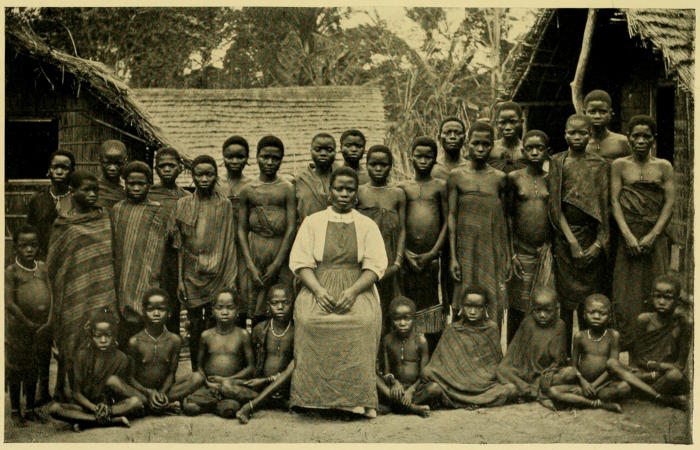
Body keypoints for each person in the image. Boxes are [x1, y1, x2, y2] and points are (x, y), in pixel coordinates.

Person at [289, 166, 387, 418]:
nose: (344, 194)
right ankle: (313, 399)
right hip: (319, 285)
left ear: (356, 193)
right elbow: (301, 262)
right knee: (309, 320)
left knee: (362, 321)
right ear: (329, 192)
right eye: (339, 189)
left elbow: (375, 266)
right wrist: (318, 291)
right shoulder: (313, 222)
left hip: (356, 286)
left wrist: (353, 292)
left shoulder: (366, 225)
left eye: (349, 190)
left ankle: (356, 400)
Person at [47, 170, 118, 402]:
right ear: (72, 191)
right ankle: (61, 388)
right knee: (70, 339)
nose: (92, 194)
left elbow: (108, 254)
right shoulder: (64, 223)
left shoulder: (103, 217)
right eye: (86, 190)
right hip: (72, 292)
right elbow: (54, 262)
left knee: (100, 336)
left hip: (101, 289)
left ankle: (94, 392)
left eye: (95, 190)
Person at [611, 116, 674, 349]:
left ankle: (655, 347)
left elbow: (669, 204)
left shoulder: (664, 166)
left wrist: (653, 235)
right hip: (628, 236)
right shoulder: (619, 165)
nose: (640, 141)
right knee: (625, 293)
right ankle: (629, 344)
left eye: (646, 136)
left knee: (656, 288)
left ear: (653, 139)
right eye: (636, 136)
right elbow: (614, 201)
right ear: (628, 138)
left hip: (654, 237)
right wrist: (628, 235)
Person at [548, 114, 609, 351]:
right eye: (572, 132)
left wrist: (598, 244)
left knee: (589, 301)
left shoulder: (600, 165)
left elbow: (604, 208)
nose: (577, 137)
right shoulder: (557, 162)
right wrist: (572, 241)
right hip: (565, 239)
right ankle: (563, 354)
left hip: (591, 237)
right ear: (565, 135)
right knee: (565, 301)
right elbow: (555, 207)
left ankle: (588, 351)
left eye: (582, 133)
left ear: (590, 135)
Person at [172, 155, 238, 371]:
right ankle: (196, 371)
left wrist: (229, 277)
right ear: (192, 176)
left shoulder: (224, 204)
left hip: (218, 273)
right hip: (191, 275)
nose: (204, 179)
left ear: (216, 175)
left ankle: (213, 371)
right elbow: (180, 246)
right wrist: (180, 279)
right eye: (199, 174)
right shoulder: (183, 204)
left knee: (214, 324)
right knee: (194, 325)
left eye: (209, 174)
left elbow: (229, 242)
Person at [448, 121, 509, 327]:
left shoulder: (500, 179)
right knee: (462, 297)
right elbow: (452, 216)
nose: (481, 148)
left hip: (491, 249)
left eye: (486, 144)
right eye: (476, 143)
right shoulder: (457, 176)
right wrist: (453, 257)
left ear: (493, 145)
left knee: (492, 297)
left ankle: (490, 343)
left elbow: (505, 220)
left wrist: (507, 256)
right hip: (465, 249)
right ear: (468, 143)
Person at [413, 286, 516, 408]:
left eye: (478, 307)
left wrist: (478, 377)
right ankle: (475, 401)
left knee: (511, 389)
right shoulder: (452, 329)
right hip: (453, 387)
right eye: (468, 306)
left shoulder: (492, 329)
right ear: (462, 306)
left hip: (483, 387)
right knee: (433, 388)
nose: (472, 311)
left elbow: (494, 364)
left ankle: (463, 401)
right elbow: (436, 365)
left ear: (485, 308)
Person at [48, 308, 144, 431]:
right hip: (86, 406)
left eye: (108, 335)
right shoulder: (81, 356)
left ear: (114, 335)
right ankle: (110, 421)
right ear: (91, 336)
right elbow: (76, 393)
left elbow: (115, 393)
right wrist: (94, 408)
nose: (103, 340)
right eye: (98, 336)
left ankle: (86, 421)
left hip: (110, 408)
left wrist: (106, 407)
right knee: (55, 408)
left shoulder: (121, 358)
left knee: (135, 402)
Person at [168, 289, 256, 418]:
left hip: (232, 384)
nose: (224, 312)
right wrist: (208, 383)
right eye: (220, 308)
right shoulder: (206, 335)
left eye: (230, 308)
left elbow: (250, 368)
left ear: (237, 310)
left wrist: (227, 380)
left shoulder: (243, 335)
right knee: (190, 408)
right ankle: (213, 403)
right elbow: (199, 366)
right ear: (213, 311)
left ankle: (212, 404)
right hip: (210, 386)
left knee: (230, 408)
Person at [238, 136, 296, 328]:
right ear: (256, 157)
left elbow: (290, 228)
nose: (270, 162)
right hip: (256, 251)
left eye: (275, 158)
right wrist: (250, 265)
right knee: (256, 305)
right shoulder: (248, 190)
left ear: (281, 160)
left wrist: (277, 264)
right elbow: (241, 229)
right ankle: (257, 341)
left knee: (281, 304)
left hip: (281, 253)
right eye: (265, 157)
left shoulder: (287, 189)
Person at [111, 161, 171, 347]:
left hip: (151, 276)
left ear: (149, 185)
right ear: (125, 184)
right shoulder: (117, 210)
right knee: (124, 330)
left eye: (141, 184)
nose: (136, 188)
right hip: (123, 276)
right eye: (131, 184)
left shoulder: (159, 211)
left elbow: (165, 246)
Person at [607, 275, 690, 409]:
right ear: (651, 297)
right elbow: (637, 358)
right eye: (657, 296)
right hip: (644, 373)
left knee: (674, 376)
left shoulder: (682, 324)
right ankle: (661, 398)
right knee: (613, 365)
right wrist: (644, 373)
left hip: (662, 376)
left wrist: (655, 367)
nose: (661, 302)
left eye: (667, 298)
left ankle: (640, 392)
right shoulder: (644, 320)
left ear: (677, 300)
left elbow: (679, 365)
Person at [399, 136, 448, 350]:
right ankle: (410, 352)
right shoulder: (403, 188)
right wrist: (405, 252)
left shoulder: (441, 187)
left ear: (435, 159)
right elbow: (399, 224)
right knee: (409, 304)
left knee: (433, 306)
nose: (423, 160)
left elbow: (447, 222)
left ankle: (433, 352)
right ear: (411, 157)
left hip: (432, 258)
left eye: (428, 156)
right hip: (408, 257)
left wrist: (434, 251)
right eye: (419, 155)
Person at [505, 130, 553, 342]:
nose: (534, 152)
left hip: (544, 252)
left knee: (543, 304)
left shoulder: (551, 179)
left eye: (539, 148)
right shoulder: (514, 178)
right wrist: (512, 254)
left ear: (547, 152)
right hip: (521, 251)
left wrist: (550, 246)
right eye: (530, 148)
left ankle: (538, 350)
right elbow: (508, 217)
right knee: (518, 305)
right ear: (523, 151)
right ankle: (514, 352)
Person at [542, 294, 629, 413]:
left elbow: (612, 368)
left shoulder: (613, 336)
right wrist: (583, 383)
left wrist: (593, 386)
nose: (596, 316)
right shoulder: (580, 337)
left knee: (624, 387)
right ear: (584, 315)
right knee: (553, 391)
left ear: (609, 317)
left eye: (602, 313)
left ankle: (579, 400)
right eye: (592, 312)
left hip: (603, 385)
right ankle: (596, 404)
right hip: (582, 384)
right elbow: (573, 366)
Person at [5, 225, 51, 425]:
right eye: (24, 246)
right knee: (17, 369)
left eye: (33, 245)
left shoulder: (42, 268)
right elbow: (9, 303)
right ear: (15, 247)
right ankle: (16, 411)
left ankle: (31, 409)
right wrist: (27, 322)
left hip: (40, 328)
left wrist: (48, 320)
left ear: (38, 246)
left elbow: (51, 293)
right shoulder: (12, 271)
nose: (29, 249)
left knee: (34, 368)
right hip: (20, 329)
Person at [358, 145, 406, 326]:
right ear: (367, 165)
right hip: (364, 259)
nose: (378, 169)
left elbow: (403, 229)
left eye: (383, 165)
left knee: (389, 305)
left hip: (390, 258)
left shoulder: (398, 194)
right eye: (373, 164)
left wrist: (397, 262)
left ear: (390, 166)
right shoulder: (359, 192)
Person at [236, 284, 296, 424]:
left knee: (295, 364)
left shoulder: (297, 331)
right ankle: (273, 401)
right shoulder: (260, 329)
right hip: (260, 386)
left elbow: (295, 368)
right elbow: (250, 363)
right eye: (275, 303)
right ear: (268, 306)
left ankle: (251, 406)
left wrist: (267, 380)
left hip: (286, 387)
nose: (280, 307)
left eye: (285, 303)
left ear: (293, 304)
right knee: (227, 386)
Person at [148, 147, 191, 335]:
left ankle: (172, 341)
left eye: (171, 165)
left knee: (173, 302)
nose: (166, 169)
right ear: (156, 169)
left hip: (175, 258)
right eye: (162, 166)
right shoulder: (148, 195)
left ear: (180, 168)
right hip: (152, 256)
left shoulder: (186, 198)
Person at [497, 287, 566, 403]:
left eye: (548, 311)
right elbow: (514, 350)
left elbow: (559, 360)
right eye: (537, 311)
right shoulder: (528, 322)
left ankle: (526, 391)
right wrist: (516, 367)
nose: (542, 315)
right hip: (523, 371)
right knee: (502, 370)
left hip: (544, 372)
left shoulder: (559, 325)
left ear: (556, 309)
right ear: (531, 309)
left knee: (562, 376)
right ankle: (531, 391)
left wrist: (550, 371)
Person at [127, 288, 183, 415]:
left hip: (166, 391)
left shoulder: (175, 340)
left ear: (169, 313)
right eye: (151, 309)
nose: (156, 313)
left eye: (161, 309)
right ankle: (163, 405)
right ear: (143, 312)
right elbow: (130, 378)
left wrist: (162, 393)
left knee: (196, 378)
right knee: (115, 382)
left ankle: (155, 403)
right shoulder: (135, 341)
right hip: (142, 392)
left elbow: (171, 374)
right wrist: (149, 392)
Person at [376, 296, 431, 417]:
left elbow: (424, 374)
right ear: (392, 320)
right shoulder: (387, 340)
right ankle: (413, 408)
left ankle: (396, 406)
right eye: (397, 319)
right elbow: (386, 372)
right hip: (394, 389)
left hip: (415, 388)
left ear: (414, 319)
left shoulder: (421, 341)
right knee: (374, 379)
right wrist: (394, 382)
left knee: (435, 388)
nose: (402, 323)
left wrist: (411, 390)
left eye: (407, 319)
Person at [26, 150, 75, 259]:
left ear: (72, 172)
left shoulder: (77, 199)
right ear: (49, 170)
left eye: (65, 168)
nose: (59, 172)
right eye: (55, 167)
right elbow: (30, 233)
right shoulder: (37, 199)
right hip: (43, 258)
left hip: (71, 258)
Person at [294, 133, 337, 225]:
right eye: (318, 150)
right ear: (311, 151)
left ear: (335, 152)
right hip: (307, 230)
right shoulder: (300, 180)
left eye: (329, 150)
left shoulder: (342, 177)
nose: (323, 153)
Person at [583, 90, 631, 162]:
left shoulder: (622, 142)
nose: (597, 116)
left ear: (610, 114)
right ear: (584, 113)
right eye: (592, 112)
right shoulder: (581, 142)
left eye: (602, 112)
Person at [490, 101, 525, 173]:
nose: (508, 127)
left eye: (513, 122)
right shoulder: (490, 148)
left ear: (521, 122)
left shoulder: (528, 150)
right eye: (502, 122)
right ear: (497, 124)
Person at [96, 140, 127, 209]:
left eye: (118, 163)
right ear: (100, 161)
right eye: (107, 163)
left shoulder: (128, 188)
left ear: (125, 162)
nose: (112, 168)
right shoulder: (93, 188)